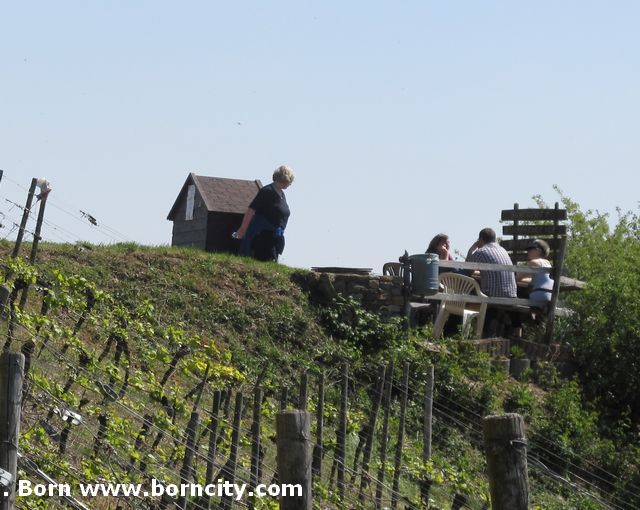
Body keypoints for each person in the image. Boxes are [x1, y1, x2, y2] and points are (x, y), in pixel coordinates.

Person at [236, 165, 295, 262]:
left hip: (275, 237)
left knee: (271, 265)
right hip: (262, 236)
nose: (290, 184)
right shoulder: (267, 191)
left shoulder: (281, 194)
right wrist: (242, 229)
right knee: (263, 263)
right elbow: (251, 210)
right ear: (285, 179)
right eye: (290, 181)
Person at [466, 228, 517, 298]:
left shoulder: (481, 252)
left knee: (467, 291)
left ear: (480, 239)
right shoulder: (503, 250)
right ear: (494, 239)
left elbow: (468, 270)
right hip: (511, 295)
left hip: (493, 296)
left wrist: (473, 247)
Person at [519, 239, 553, 304]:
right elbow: (537, 280)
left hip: (538, 296)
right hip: (549, 297)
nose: (528, 252)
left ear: (538, 251)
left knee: (516, 294)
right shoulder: (547, 263)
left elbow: (517, 278)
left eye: (530, 249)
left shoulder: (534, 262)